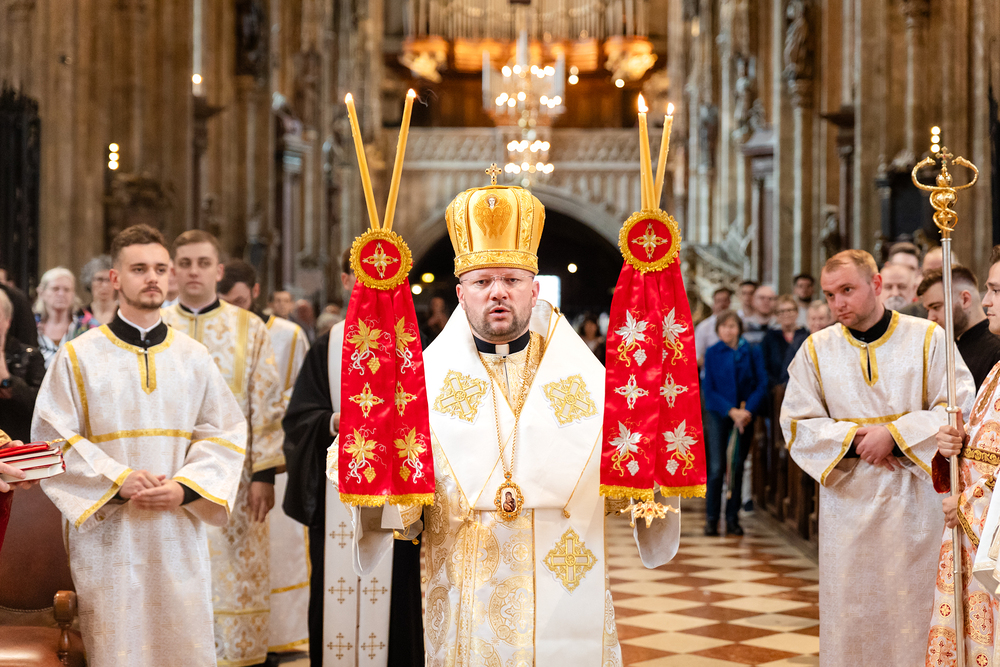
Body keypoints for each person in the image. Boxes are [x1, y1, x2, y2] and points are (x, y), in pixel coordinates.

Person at [328, 177, 682, 665]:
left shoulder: (587, 381)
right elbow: (378, 482)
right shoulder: (420, 387)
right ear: (461, 293)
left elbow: (633, 469)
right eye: (482, 282)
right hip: (465, 594)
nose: (498, 293)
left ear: (534, 291)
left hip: (567, 583)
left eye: (512, 281)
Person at [32, 224, 247, 667]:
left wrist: (185, 488)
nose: (152, 278)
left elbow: (224, 433)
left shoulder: (193, 357)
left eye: (160, 269)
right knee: (119, 650)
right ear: (115, 278)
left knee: (182, 647)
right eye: (139, 269)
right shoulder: (79, 356)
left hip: (177, 531)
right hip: (110, 537)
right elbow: (51, 438)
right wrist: (118, 479)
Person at [780, 249, 974, 667]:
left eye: (847, 290)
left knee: (913, 607)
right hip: (848, 507)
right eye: (830, 295)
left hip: (915, 506)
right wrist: (854, 440)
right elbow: (796, 424)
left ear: (877, 284)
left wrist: (895, 436)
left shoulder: (928, 338)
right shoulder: (816, 350)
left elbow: (958, 408)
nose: (838, 303)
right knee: (852, 609)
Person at [282, 249, 423, 667]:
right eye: (364, 277)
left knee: (400, 606)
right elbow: (299, 419)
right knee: (333, 598)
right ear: (346, 281)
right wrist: (334, 421)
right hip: (336, 497)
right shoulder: (327, 346)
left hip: (400, 497)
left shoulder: (415, 343)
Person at [162, 230, 286, 667]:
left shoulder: (248, 327)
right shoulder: (159, 325)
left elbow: (265, 401)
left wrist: (264, 474)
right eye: (185, 263)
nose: (193, 271)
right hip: (169, 475)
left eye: (202, 263)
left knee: (235, 577)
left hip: (236, 482)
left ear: (217, 270)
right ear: (174, 270)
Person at [219, 258, 312, 656]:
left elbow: (302, 394)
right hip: (224, 458)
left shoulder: (288, 335)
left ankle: (279, 636)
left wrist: (263, 407)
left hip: (273, 459)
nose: (233, 311)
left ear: (255, 293)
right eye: (226, 303)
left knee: (279, 548)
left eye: (240, 302)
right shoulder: (215, 333)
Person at [925, 249, 1000, 667]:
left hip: (988, 537)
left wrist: (969, 503)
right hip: (974, 540)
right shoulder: (996, 370)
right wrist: (953, 445)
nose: (987, 301)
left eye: (996, 291)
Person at [701, 310, 768, 536]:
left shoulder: (751, 350)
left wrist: (747, 411)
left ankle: (732, 518)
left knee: (737, 466)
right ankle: (711, 518)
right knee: (717, 468)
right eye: (724, 326)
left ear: (739, 329)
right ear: (718, 330)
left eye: (732, 326)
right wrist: (730, 411)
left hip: (745, 414)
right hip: (720, 414)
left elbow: (761, 384)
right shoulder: (713, 352)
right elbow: (709, 389)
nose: (728, 330)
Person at [919, 266, 1000, 390]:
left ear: (965, 300)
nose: (930, 318)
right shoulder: (950, 347)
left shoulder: (996, 350)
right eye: (927, 310)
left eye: (936, 307)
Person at [0, 289, 45, 442]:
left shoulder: (31, 356)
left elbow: (40, 411)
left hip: (19, 444)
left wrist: (7, 380)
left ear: (8, 321)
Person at [34, 267, 98, 367]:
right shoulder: (31, 325)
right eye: (55, 289)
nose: (61, 294)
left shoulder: (89, 326)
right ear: (42, 292)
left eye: (67, 290)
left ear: (73, 294)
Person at [761, 294, 808, 389]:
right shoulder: (770, 337)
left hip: (802, 387)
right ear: (776, 315)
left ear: (797, 312)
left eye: (790, 310)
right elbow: (764, 366)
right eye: (782, 311)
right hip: (775, 389)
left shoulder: (806, 336)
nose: (786, 314)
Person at [694, 287, 732, 365]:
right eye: (718, 301)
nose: (722, 305)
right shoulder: (703, 327)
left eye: (725, 300)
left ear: (729, 302)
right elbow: (697, 356)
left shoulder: (737, 324)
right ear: (713, 303)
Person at [80, 254, 117, 325]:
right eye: (99, 279)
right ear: (89, 281)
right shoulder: (79, 315)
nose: (104, 285)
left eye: (109, 280)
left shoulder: (124, 315)